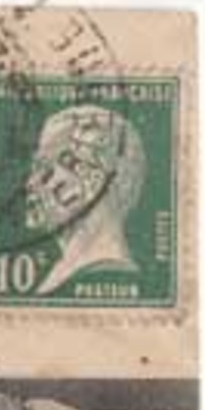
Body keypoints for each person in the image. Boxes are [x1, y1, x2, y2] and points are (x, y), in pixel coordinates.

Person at [23, 105, 146, 297]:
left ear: (94, 183)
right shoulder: (67, 275)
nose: (30, 183)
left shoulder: (99, 272)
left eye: (45, 167)